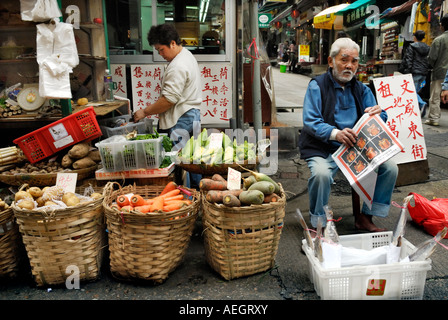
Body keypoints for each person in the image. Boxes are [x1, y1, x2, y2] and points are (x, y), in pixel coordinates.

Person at [297, 37, 399, 232]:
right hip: (324, 148)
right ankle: (318, 224)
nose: (349, 66)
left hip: (356, 149)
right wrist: (336, 134)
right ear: (331, 61)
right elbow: (311, 122)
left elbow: (380, 116)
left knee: (390, 167)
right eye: (344, 60)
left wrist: (379, 114)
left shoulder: (361, 88)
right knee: (321, 174)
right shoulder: (317, 86)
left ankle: (366, 216)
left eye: (354, 61)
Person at [133, 23, 202, 187]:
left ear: (172, 43)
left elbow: (168, 100)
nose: (160, 54)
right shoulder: (186, 55)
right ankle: (198, 195)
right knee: (193, 161)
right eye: (157, 50)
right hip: (192, 114)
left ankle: (189, 201)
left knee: (182, 163)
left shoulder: (178, 66)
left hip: (182, 118)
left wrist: (144, 112)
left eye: (161, 49)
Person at [402, 30, 430, 117]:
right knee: (416, 91)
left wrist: (408, 71)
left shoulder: (412, 47)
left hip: (415, 72)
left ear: (415, 37)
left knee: (412, 92)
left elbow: (409, 60)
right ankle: (418, 108)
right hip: (424, 73)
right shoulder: (427, 47)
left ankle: (422, 104)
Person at [427, 14, 448, 126]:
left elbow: (432, 58)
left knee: (435, 96)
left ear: (442, 26)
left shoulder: (438, 40)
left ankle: (434, 118)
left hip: (440, 72)